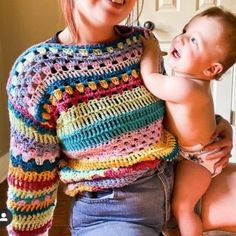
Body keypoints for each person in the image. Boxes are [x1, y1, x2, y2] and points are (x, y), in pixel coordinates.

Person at [5, 1, 234, 235]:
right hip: (112, 213)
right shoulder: (36, 72)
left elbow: (170, 111)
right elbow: (32, 176)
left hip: (175, 181)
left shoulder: (142, 42)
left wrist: (219, 125)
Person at [140, 7, 236, 236]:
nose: (181, 39)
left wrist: (151, 50)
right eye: (185, 31)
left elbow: (151, 79)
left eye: (193, 40)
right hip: (188, 153)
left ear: (212, 68)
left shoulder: (187, 87)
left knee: (182, 207)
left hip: (198, 160)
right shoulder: (188, 81)